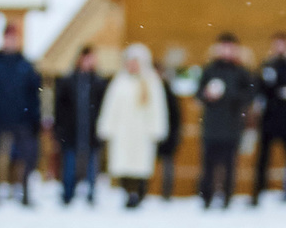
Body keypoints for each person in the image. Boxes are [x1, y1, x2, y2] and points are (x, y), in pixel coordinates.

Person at [0, 23, 43, 206]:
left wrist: (35, 117)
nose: (10, 42)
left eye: (14, 38)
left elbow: (34, 94)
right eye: (8, 38)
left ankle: (25, 191)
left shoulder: (26, 65)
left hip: (22, 119)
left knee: (27, 156)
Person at [97, 43, 170, 208]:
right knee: (123, 164)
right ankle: (127, 193)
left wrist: (157, 129)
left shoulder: (151, 82)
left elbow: (158, 108)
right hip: (123, 131)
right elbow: (111, 107)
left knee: (141, 164)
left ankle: (139, 193)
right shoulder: (119, 82)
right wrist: (107, 127)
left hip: (142, 131)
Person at [194, 33, 254, 207]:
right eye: (224, 47)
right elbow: (198, 93)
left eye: (230, 48)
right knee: (208, 165)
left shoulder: (242, 72)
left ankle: (227, 198)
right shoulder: (209, 69)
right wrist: (206, 95)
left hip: (232, 125)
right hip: (212, 125)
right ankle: (206, 197)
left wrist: (229, 94)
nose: (227, 51)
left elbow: (249, 95)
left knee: (229, 165)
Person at [51, 47, 107, 205]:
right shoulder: (69, 81)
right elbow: (60, 108)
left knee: (92, 164)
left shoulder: (99, 82)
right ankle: (68, 193)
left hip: (91, 131)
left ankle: (91, 193)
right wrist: (59, 129)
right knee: (69, 164)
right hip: (71, 131)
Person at [251, 34, 286, 205]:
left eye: (283, 44)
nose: (279, 47)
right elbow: (260, 88)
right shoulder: (267, 64)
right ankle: (258, 193)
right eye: (277, 44)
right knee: (263, 158)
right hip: (269, 118)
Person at [154, 46, 193, 200]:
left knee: (167, 165)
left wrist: (175, 134)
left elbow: (176, 115)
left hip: (167, 134)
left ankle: (165, 193)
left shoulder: (167, 91)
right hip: (153, 135)